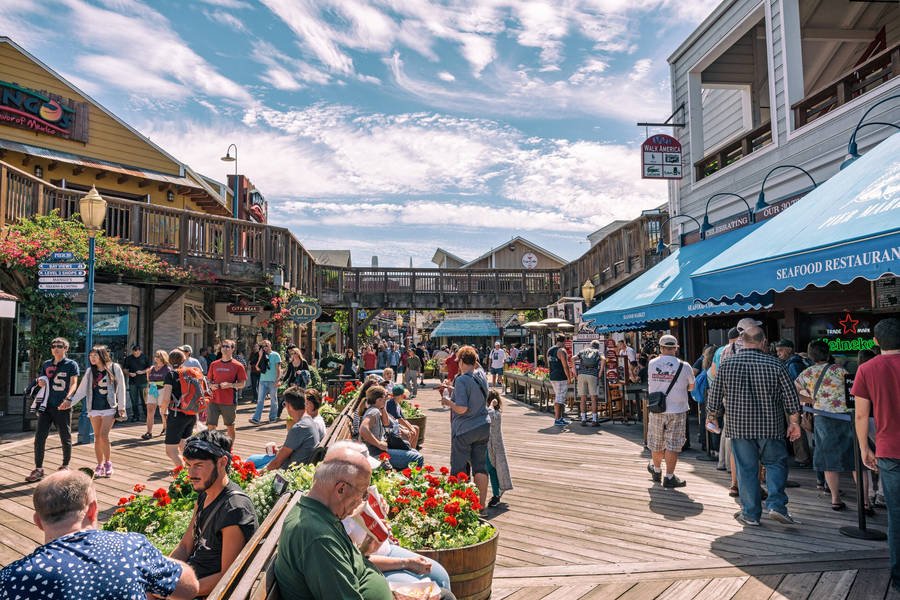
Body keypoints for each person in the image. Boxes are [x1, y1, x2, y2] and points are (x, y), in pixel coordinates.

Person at [0, 470, 199, 599]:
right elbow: (190, 588)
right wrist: (151, 560)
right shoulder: (130, 547)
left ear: (37, 522)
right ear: (93, 510)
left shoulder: (12, 578)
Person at [707, 326, 802, 527]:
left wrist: (713, 416)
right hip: (771, 424)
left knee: (746, 469)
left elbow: (714, 394)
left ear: (742, 341)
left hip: (738, 425)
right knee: (776, 464)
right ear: (764, 341)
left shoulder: (727, 364)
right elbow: (791, 397)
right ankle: (776, 506)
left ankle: (750, 514)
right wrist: (794, 422)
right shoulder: (776, 364)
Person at [273, 443, 393, 600]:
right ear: (341, 489)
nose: (363, 501)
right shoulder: (318, 537)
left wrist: (364, 550)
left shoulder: (322, 513)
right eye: (363, 493)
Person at [171, 431, 258, 597]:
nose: (190, 474)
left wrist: (175, 590)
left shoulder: (234, 510)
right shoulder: (205, 493)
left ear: (222, 462)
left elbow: (228, 577)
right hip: (191, 578)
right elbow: (185, 546)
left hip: (206, 591)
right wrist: (162, 571)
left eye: (198, 465)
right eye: (188, 465)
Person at [854, 318, 900, 593]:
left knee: (896, 515)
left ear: (876, 342)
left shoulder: (867, 368)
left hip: (888, 449)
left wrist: (864, 448)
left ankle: (898, 576)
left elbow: (861, 415)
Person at [795, 340, 858, 511]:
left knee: (829, 460)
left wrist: (812, 401)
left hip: (822, 418)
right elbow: (851, 392)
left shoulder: (806, 374)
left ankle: (835, 499)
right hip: (845, 417)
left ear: (810, 355)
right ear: (828, 353)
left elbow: (794, 394)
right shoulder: (840, 370)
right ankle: (865, 501)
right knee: (855, 459)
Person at [440, 345, 490, 508]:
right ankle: (481, 506)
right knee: (480, 467)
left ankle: (458, 506)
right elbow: (477, 371)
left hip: (464, 430)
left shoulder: (461, 379)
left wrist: (448, 402)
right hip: (483, 426)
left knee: (459, 468)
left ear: (461, 361)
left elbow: (462, 408)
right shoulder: (481, 376)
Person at [645, 335, 695, 488]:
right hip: (677, 410)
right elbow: (691, 387)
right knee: (673, 445)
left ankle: (657, 470)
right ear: (675, 348)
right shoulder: (685, 366)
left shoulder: (652, 363)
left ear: (660, 348)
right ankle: (669, 477)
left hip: (657, 408)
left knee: (656, 442)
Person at [27, 338, 79, 482]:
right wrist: (41, 382)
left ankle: (65, 465)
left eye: (59, 346)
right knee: (39, 437)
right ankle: (38, 469)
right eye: (53, 346)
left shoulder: (71, 364)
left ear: (66, 349)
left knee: (65, 435)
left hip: (62, 405)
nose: (56, 348)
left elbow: (74, 383)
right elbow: (43, 380)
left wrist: (69, 399)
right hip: (46, 405)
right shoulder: (47, 364)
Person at [70, 345, 126, 478]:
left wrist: (121, 406)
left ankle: (108, 463)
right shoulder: (90, 371)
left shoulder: (114, 368)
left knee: (103, 435)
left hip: (109, 407)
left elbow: (122, 387)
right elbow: (82, 390)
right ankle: (99, 464)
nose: (92, 358)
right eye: (90, 355)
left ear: (102, 355)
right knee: (97, 437)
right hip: (94, 407)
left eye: (95, 355)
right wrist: (69, 403)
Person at [360, 386, 423, 470]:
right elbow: (363, 430)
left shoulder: (377, 409)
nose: (387, 398)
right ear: (378, 400)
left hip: (379, 449)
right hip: (376, 453)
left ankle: (403, 475)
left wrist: (382, 407)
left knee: (412, 450)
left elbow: (386, 423)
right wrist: (379, 444)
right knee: (417, 458)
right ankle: (408, 479)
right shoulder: (374, 412)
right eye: (385, 397)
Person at [160, 349, 198, 469]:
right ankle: (190, 469)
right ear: (184, 360)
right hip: (191, 413)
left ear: (169, 361)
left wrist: (162, 411)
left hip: (177, 415)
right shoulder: (190, 373)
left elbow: (166, 398)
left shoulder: (171, 375)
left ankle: (185, 475)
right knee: (183, 446)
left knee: (170, 450)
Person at [206, 339, 247, 442]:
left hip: (229, 401)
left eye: (227, 347)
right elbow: (208, 381)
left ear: (233, 349)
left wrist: (230, 385)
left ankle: (229, 449)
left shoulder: (238, 365)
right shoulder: (214, 364)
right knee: (211, 426)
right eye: (223, 346)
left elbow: (242, 384)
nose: (224, 348)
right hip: (213, 400)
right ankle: (211, 446)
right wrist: (211, 385)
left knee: (230, 426)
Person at [485, 390, 513, 508]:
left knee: (491, 469)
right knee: (490, 470)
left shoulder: (495, 414)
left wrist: (491, 405)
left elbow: (489, 416)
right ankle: (496, 494)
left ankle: (496, 494)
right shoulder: (492, 411)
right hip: (487, 446)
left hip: (493, 447)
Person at [252, 339, 282, 425]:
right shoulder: (262, 355)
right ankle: (256, 419)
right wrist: (260, 356)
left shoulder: (276, 355)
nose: (265, 347)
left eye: (266, 345)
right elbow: (257, 368)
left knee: (273, 399)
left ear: (270, 345)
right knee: (260, 400)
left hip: (273, 381)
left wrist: (278, 379)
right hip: (263, 380)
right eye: (263, 346)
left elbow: (278, 368)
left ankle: (272, 417)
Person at [576, 340, 604, 426]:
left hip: (581, 375)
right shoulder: (598, 352)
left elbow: (572, 358)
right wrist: (600, 372)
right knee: (593, 398)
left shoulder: (583, 351)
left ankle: (583, 419)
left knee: (583, 398)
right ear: (598, 346)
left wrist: (575, 372)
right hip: (592, 375)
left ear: (590, 345)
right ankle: (594, 420)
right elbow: (604, 359)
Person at [548, 334, 573, 426]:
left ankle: (560, 418)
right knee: (559, 398)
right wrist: (569, 377)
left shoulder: (550, 350)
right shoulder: (562, 351)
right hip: (561, 377)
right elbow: (565, 366)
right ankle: (557, 419)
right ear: (564, 341)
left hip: (553, 376)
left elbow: (549, 363)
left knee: (559, 397)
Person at [145, 350, 170, 439]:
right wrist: (147, 374)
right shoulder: (152, 368)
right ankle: (149, 432)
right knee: (150, 411)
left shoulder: (167, 369)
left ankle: (165, 427)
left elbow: (168, 382)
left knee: (163, 411)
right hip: (152, 389)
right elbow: (149, 380)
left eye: (158, 356)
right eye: (156, 356)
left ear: (163, 357)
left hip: (162, 390)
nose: (156, 357)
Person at [386, 385, 420, 449]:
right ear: (400, 395)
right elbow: (399, 419)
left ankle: (413, 450)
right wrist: (410, 429)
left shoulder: (397, 403)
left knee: (416, 428)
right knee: (411, 433)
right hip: (391, 427)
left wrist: (411, 427)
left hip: (396, 424)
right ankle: (406, 449)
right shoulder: (391, 403)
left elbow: (403, 418)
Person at [123, 345, 150, 423]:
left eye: (137, 353)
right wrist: (129, 373)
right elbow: (124, 369)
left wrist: (143, 372)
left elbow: (149, 368)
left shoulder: (145, 358)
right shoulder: (128, 359)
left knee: (144, 400)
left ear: (140, 351)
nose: (136, 354)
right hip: (132, 382)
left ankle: (147, 416)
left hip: (143, 382)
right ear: (132, 351)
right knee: (134, 400)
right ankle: (136, 416)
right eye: (134, 353)